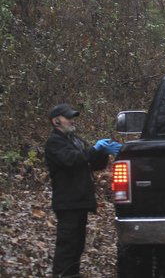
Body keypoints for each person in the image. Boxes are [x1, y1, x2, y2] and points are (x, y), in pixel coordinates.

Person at [44, 103, 121, 278]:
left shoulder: (75, 140)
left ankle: (73, 274)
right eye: (68, 117)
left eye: (72, 117)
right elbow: (71, 160)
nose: (72, 121)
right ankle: (62, 275)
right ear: (56, 121)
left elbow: (94, 164)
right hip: (67, 202)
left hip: (80, 200)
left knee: (77, 245)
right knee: (67, 246)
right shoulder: (54, 142)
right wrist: (95, 148)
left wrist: (103, 152)